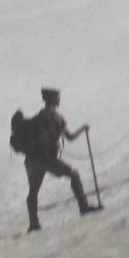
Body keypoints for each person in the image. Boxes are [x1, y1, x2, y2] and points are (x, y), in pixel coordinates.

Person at [23, 87, 100, 231]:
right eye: (58, 97)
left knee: (33, 191)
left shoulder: (37, 117)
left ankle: (33, 223)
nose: (60, 99)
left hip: (32, 159)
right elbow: (70, 137)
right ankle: (84, 207)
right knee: (74, 175)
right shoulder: (56, 117)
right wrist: (83, 129)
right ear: (54, 100)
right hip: (47, 159)